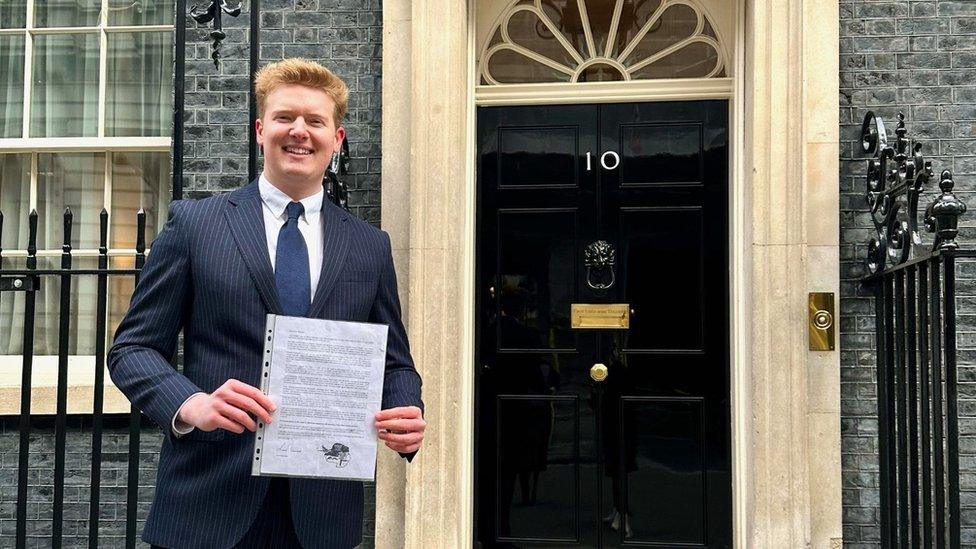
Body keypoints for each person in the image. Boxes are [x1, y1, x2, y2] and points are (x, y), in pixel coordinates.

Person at [108, 58, 425, 549]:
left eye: (316, 121)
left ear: (336, 140)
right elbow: (132, 349)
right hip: (208, 502)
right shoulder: (197, 224)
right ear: (261, 130)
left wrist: (405, 407)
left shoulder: (369, 245)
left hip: (322, 512)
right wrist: (192, 403)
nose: (299, 131)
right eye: (284, 118)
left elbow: (394, 362)